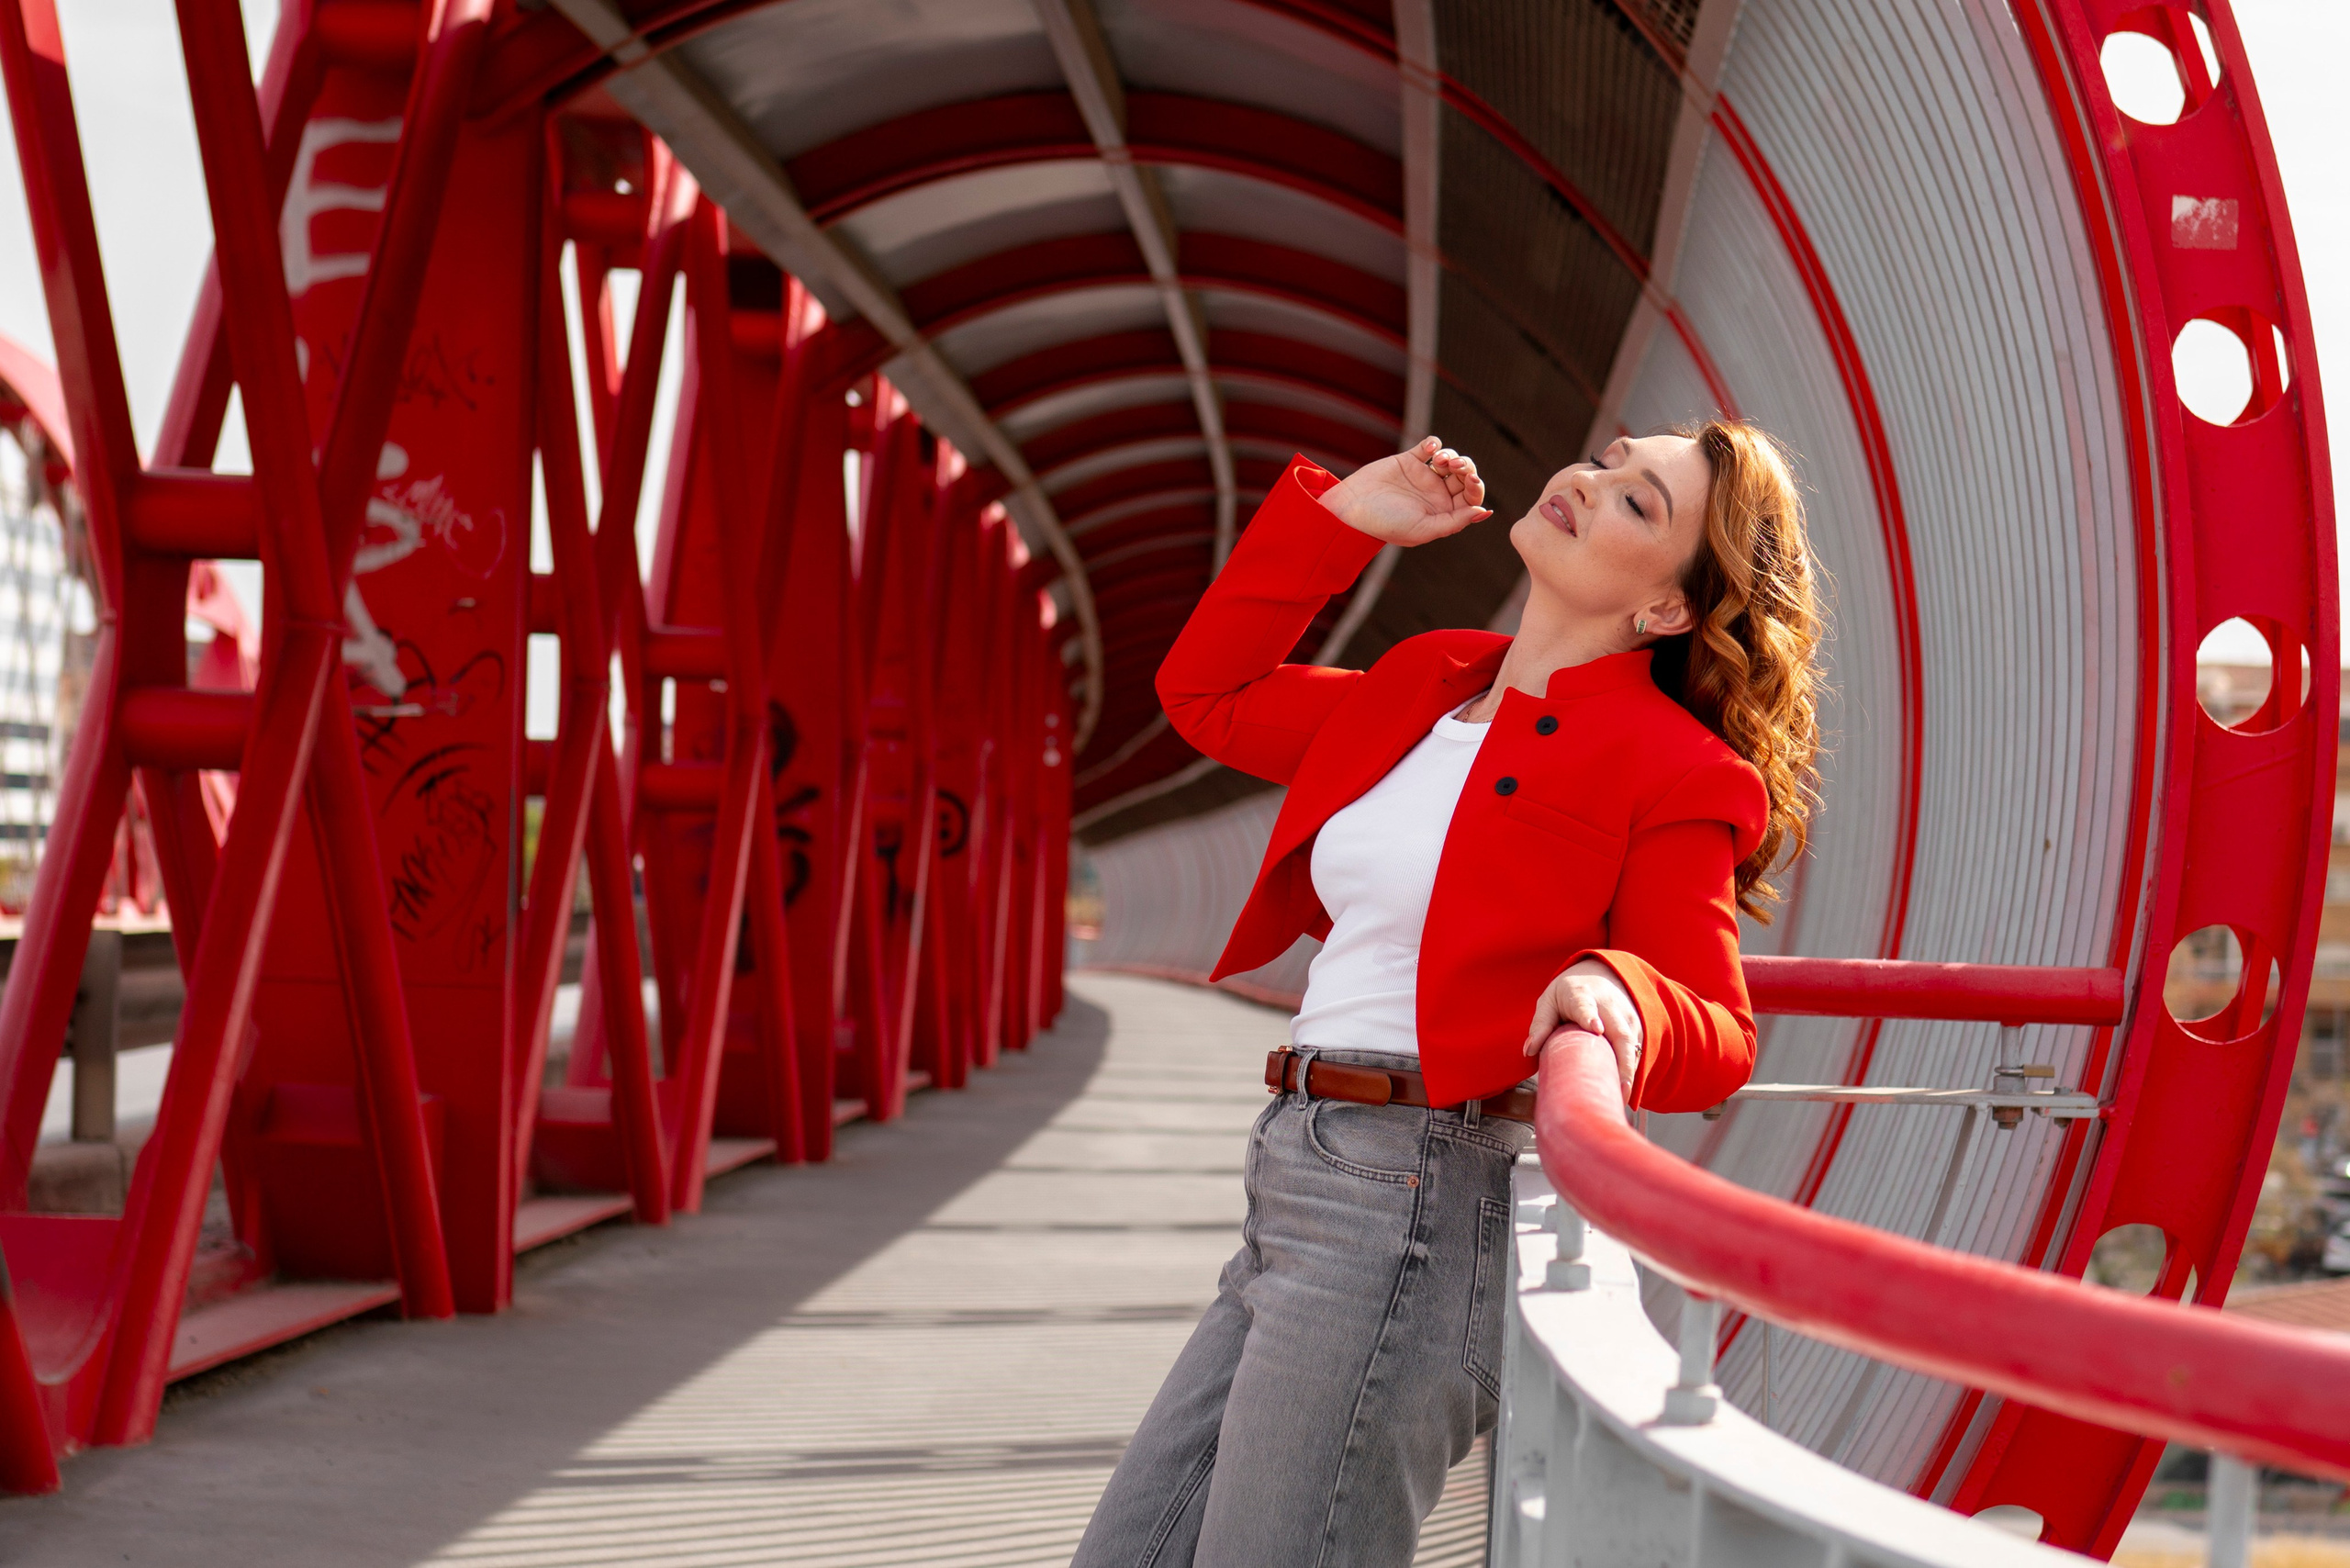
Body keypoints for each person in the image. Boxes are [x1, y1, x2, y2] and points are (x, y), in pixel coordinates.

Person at [1070, 424, 1825, 1568]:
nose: (1588, 481)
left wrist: (1612, 980)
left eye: (1638, 504)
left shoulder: (1675, 768)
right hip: (1297, 1168)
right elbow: (1205, 693)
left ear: (1668, 611)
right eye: (1608, 459)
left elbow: (1715, 1032)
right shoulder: (1424, 682)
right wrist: (1342, 527)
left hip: (1418, 1201)